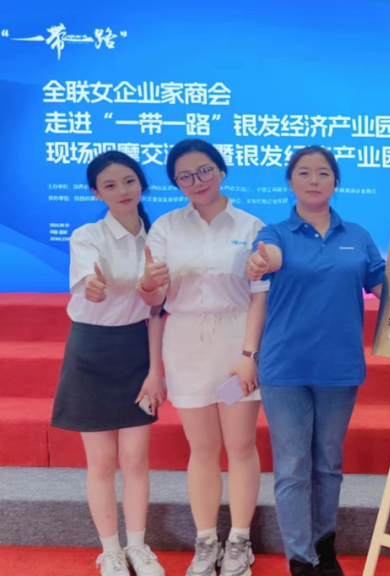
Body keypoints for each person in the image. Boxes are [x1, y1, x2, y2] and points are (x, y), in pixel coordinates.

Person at [243, 146, 386, 576]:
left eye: (323, 173)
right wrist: (261, 261)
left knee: (328, 464)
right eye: (303, 172)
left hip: (339, 368)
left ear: (335, 182)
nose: (313, 180)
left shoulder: (357, 235)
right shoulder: (275, 233)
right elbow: (268, 257)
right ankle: (300, 559)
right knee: (291, 467)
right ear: (290, 182)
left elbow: (387, 288)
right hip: (284, 368)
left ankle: (325, 549)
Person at [138, 139, 268, 576]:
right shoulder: (166, 227)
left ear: (221, 170)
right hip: (185, 344)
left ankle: (240, 542)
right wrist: (148, 284)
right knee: (203, 448)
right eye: (185, 176)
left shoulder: (250, 225)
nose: (197, 181)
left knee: (241, 445)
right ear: (176, 183)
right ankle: (206, 541)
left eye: (205, 170)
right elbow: (154, 299)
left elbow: (260, 296)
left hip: (235, 342)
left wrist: (249, 355)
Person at [51, 151, 167, 576]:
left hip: (137, 348)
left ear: (142, 184)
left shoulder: (158, 237)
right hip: (91, 349)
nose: (122, 190)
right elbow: (88, 280)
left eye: (129, 181)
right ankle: (111, 551)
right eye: (110, 185)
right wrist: (93, 286)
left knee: (136, 460)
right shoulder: (87, 235)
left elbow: (157, 310)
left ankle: (138, 546)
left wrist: (155, 371)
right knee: (101, 462)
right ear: (96, 192)